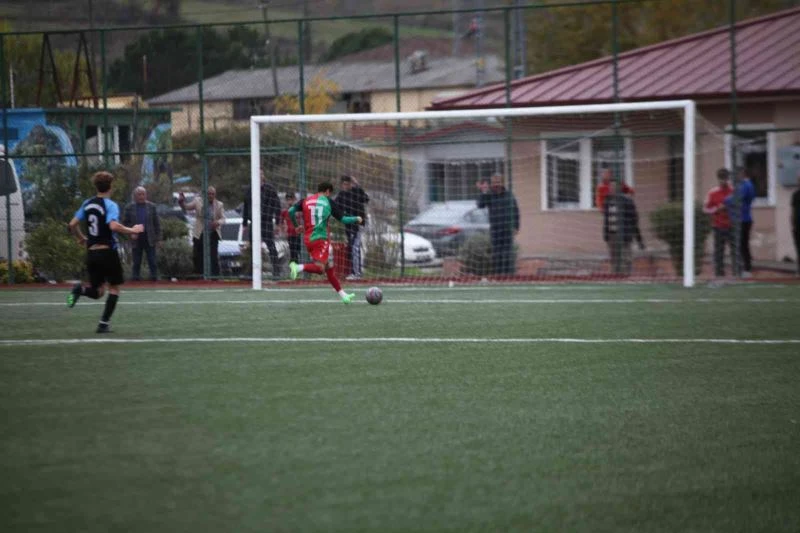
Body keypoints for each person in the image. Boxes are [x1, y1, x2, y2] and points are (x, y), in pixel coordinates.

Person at [66, 171, 144, 333]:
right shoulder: (110, 205)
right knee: (114, 288)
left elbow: (72, 224)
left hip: (92, 253)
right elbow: (113, 226)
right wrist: (132, 229)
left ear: (96, 186)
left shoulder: (87, 203)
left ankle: (79, 290)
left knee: (97, 292)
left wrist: (81, 238)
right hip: (107, 252)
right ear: (111, 187)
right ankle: (103, 324)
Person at [287, 181, 363, 304]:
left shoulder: (306, 200)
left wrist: (296, 226)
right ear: (327, 191)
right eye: (329, 193)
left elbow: (290, 211)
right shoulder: (328, 202)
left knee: (329, 268)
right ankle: (297, 266)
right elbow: (343, 219)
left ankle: (344, 296)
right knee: (320, 268)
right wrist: (357, 218)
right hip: (321, 239)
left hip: (308, 239)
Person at [242, 169, 283, 280]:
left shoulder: (270, 189)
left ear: (263, 176)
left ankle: (276, 272)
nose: (258, 176)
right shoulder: (249, 189)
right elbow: (246, 206)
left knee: (271, 246)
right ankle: (251, 273)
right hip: (254, 223)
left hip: (266, 222)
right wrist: (245, 223)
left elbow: (277, 206)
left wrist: (278, 223)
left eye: (260, 174)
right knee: (252, 248)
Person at [476, 174, 520, 275]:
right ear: (491, 184)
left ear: (502, 182)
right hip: (495, 229)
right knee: (497, 253)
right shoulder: (489, 195)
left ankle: (509, 275)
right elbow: (480, 205)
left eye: (498, 182)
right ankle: (497, 275)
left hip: (508, 229)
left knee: (507, 253)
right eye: (494, 182)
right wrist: (484, 191)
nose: (496, 184)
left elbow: (515, 211)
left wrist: (516, 226)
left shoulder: (509, 194)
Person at [179, 186, 225, 277]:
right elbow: (187, 207)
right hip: (200, 232)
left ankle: (214, 276)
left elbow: (223, 218)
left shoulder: (219, 204)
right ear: (205, 194)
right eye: (209, 193)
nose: (210, 196)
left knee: (213, 256)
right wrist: (181, 202)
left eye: (212, 194)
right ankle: (199, 275)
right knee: (197, 255)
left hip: (212, 233)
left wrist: (217, 222)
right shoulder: (198, 201)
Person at [602, 180, 645, 276]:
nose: (611, 189)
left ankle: (627, 277)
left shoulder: (628, 201)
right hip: (612, 235)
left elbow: (634, 220)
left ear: (619, 188)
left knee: (626, 258)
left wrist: (639, 240)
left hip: (625, 235)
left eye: (614, 187)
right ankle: (615, 277)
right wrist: (605, 233)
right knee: (614, 259)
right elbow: (606, 219)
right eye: (610, 187)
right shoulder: (608, 201)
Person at [122, 186, 162, 281]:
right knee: (136, 261)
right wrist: (131, 232)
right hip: (136, 238)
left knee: (152, 260)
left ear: (146, 195)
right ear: (135, 196)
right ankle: (135, 280)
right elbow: (124, 223)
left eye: (143, 194)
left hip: (149, 237)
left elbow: (157, 224)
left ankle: (154, 279)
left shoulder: (152, 207)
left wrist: (159, 238)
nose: (141, 196)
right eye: (139, 194)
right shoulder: (129, 207)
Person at [335, 175, 369, 280]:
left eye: (348, 184)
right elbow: (335, 206)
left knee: (355, 247)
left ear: (351, 184)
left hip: (358, 224)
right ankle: (353, 271)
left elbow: (366, 199)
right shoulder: (341, 195)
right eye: (344, 184)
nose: (346, 186)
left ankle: (357, 273)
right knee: (351, 247)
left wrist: (358, 184)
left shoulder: (356, 192)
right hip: (348, 225)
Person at [703, 168, 735, 277]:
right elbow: (706, 209)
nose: (723, 181)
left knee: (735, 250)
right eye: (721, 179)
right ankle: (719, 274)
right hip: (718, 226)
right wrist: (717, 209)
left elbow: (739, 207)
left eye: (725, 179)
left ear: (728, 179)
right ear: (718, 179)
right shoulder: (713, 193)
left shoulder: (733, 192)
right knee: (719, 252)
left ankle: (736, 273)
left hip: (732, 226)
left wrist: (730, 208)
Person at [728, 167, 757, 278]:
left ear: (742, 174)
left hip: (743, 219)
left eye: (737, 174)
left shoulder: (746, 185)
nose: (735, 177)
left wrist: (725, 201)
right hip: (740, 219)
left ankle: (747, 268)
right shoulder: (743, 185)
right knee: (740, 244)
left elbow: (736, 199)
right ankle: (742, 267)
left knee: (742, 244)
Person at [280, 192, 301, 264]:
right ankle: (294, 270)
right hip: (290, 235)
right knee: (293, 253)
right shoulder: (285, 211)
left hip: (299, 234)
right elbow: (281, 221)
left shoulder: (298, 210)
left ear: (294, 199)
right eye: (288, 200)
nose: (289, 201)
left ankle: (300, 268)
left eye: (291, 199)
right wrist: (283, 230)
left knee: (299, 252)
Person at [793, 176, 800, 275]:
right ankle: (799, 269)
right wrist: (792, 224)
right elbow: (793, 211)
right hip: (797, 225)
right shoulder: (795, 195)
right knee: (798, 248)